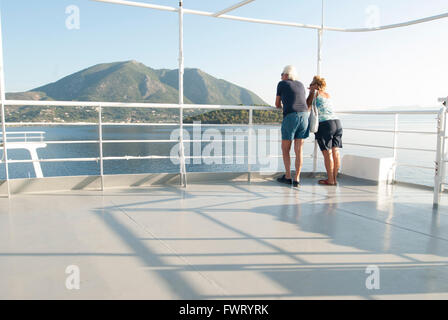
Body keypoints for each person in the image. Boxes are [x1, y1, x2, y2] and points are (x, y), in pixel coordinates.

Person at [275, 65, 310, 187]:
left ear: (286, 75)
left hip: (291, 116)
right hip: (304, 116)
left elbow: (277, 104)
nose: (280, 76)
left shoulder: (282, 84)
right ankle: (297, 179)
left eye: (281, 74)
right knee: (299, 150)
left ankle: (288, 176)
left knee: (285, 149)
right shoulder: (300, 84)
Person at [307, 76, 343, 185]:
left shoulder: (315, 93)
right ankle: (334, 179)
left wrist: (311, 92)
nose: (310, 85)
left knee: (327, 153)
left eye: (312, 83)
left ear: (317, 85)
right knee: (335, 152)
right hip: (337, 123)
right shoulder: (328, 95)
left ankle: (330, 180)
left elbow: (306, 106)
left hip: (325, 124)